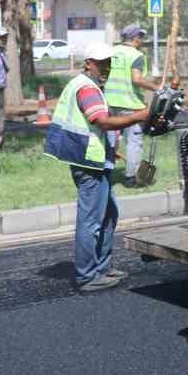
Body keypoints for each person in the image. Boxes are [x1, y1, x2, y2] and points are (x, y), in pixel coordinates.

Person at [43, 41, 150, 291]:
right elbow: (101, 121)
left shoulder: (89, 85)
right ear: (88, 63)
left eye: (109, 63)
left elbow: (95, 127)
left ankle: (102, 267)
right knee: (91, 220)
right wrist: (138, 116)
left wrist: (112, 147)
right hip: (88, 162)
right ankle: (88, 276)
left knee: (108, 214)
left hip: (97, 159)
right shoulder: (87, 88)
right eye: (102, 63)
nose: (107, 67)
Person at [105, 25, 164, 186]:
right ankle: (131, 178)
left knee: (111, 139)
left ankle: (105, 173)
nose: (142, 40)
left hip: (109, 102)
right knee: (134, 141)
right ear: (135, 38)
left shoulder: (111, 52)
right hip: (129, 105)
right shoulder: (136, 55)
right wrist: (157, 88)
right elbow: (136, 79)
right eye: (141, 37)